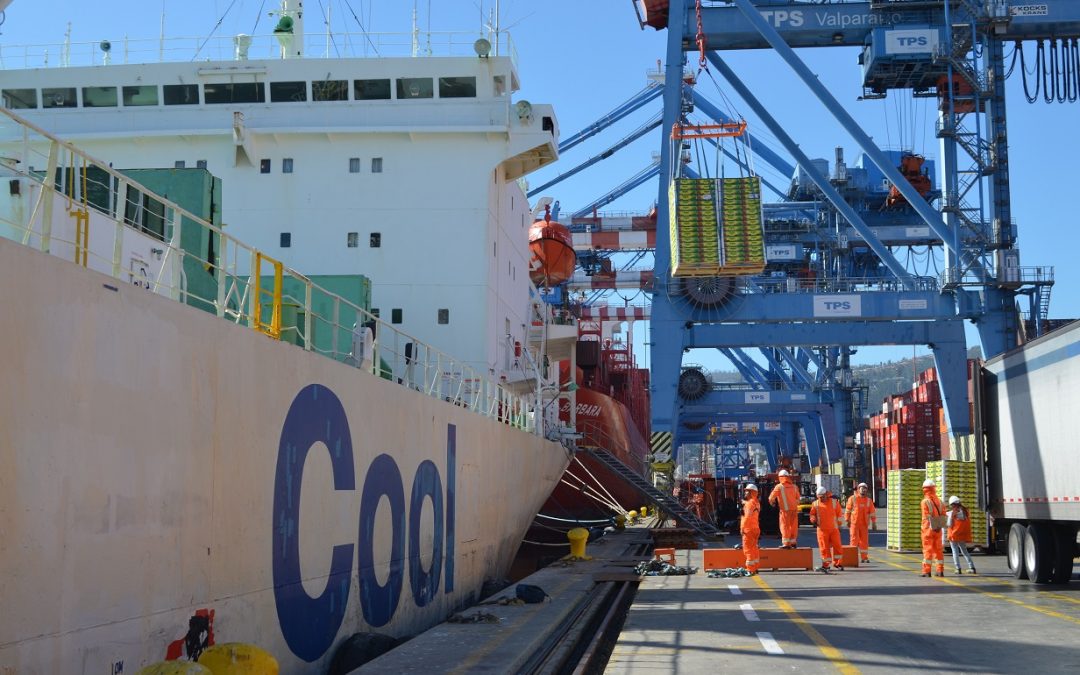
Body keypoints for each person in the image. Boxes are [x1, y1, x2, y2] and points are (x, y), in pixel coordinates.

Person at [809, 486, 845, 572]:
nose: (821, 499)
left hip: (834, 529)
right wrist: (813, 519)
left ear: (826, 494)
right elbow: (812, 514)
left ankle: (838, 563)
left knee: (837, 547)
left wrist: (839, 525)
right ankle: (826, 565)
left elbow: (839, 514)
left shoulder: (834, 502)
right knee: (824, 548)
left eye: (823, 497)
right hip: (822, 530)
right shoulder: (815, 504)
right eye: (819, 497)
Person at [845, 482, 878, 563]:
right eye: (862, 488)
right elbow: (848, 510)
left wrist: (874, 523)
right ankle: (852, 557)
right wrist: (847, 520)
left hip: (864, 524)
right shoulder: (852, 498)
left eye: (865, 489)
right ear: (858, 489)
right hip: (854, 524)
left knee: (864, 542)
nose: (863, 490)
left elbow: (872, 512)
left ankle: (864, 557)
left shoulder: (869, 501)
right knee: (854, 541)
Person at [769, 469, 801, 549]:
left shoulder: (779, 487)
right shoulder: (794, 487)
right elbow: (798, 499)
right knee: (793, 526)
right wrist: (794, 504)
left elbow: (771, 497)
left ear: (780, 477)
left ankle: (786, 544)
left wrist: (772, 503)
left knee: (785, 526)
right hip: (794, 510)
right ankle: (793, 542)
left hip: (785, 511)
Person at [920, 478, 946, 577]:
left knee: (927, 550)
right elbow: (943, 515)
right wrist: (938, 526)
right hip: (938, 529)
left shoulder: (924, 502)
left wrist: (931, 526)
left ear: (925, 489)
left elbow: (926, 516)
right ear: (934, 488)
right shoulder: (940, 502)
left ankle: (926, 571)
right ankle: (940, 571)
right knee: (938, 550)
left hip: (927, 530)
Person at [946, 495, 977, 574]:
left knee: (955, 552)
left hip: (954, 535)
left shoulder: (953, 513)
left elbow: (949, 524)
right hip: (962, 535)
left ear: (953, 504)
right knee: (964, 551)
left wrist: (947, 516)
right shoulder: (965, 511)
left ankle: (958, 568)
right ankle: (972, 567)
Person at [741, 484, 761, 575]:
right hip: (756, 528)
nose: (745, 492)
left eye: (747, 491)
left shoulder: (749, 504)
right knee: (754, 549)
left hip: (748, 529)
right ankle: (755, 567)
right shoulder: (756, 503)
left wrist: (742, 528)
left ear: (751, 493)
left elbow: (747, 517)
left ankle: (750, 569)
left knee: (748, 549)